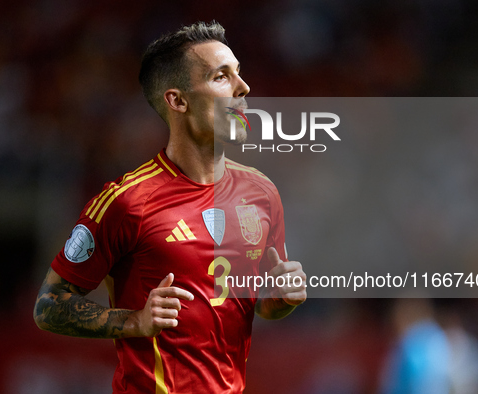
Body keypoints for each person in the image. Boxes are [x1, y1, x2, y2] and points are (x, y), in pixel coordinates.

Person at [33, 21, 307, 394]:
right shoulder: (127, 202)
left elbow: (258, 305)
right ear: (178, 101)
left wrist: (280, 298)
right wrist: (134, 321)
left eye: (239, 75)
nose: (243, 88)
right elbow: (49, 306)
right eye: (221, 77)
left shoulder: (262, 193)